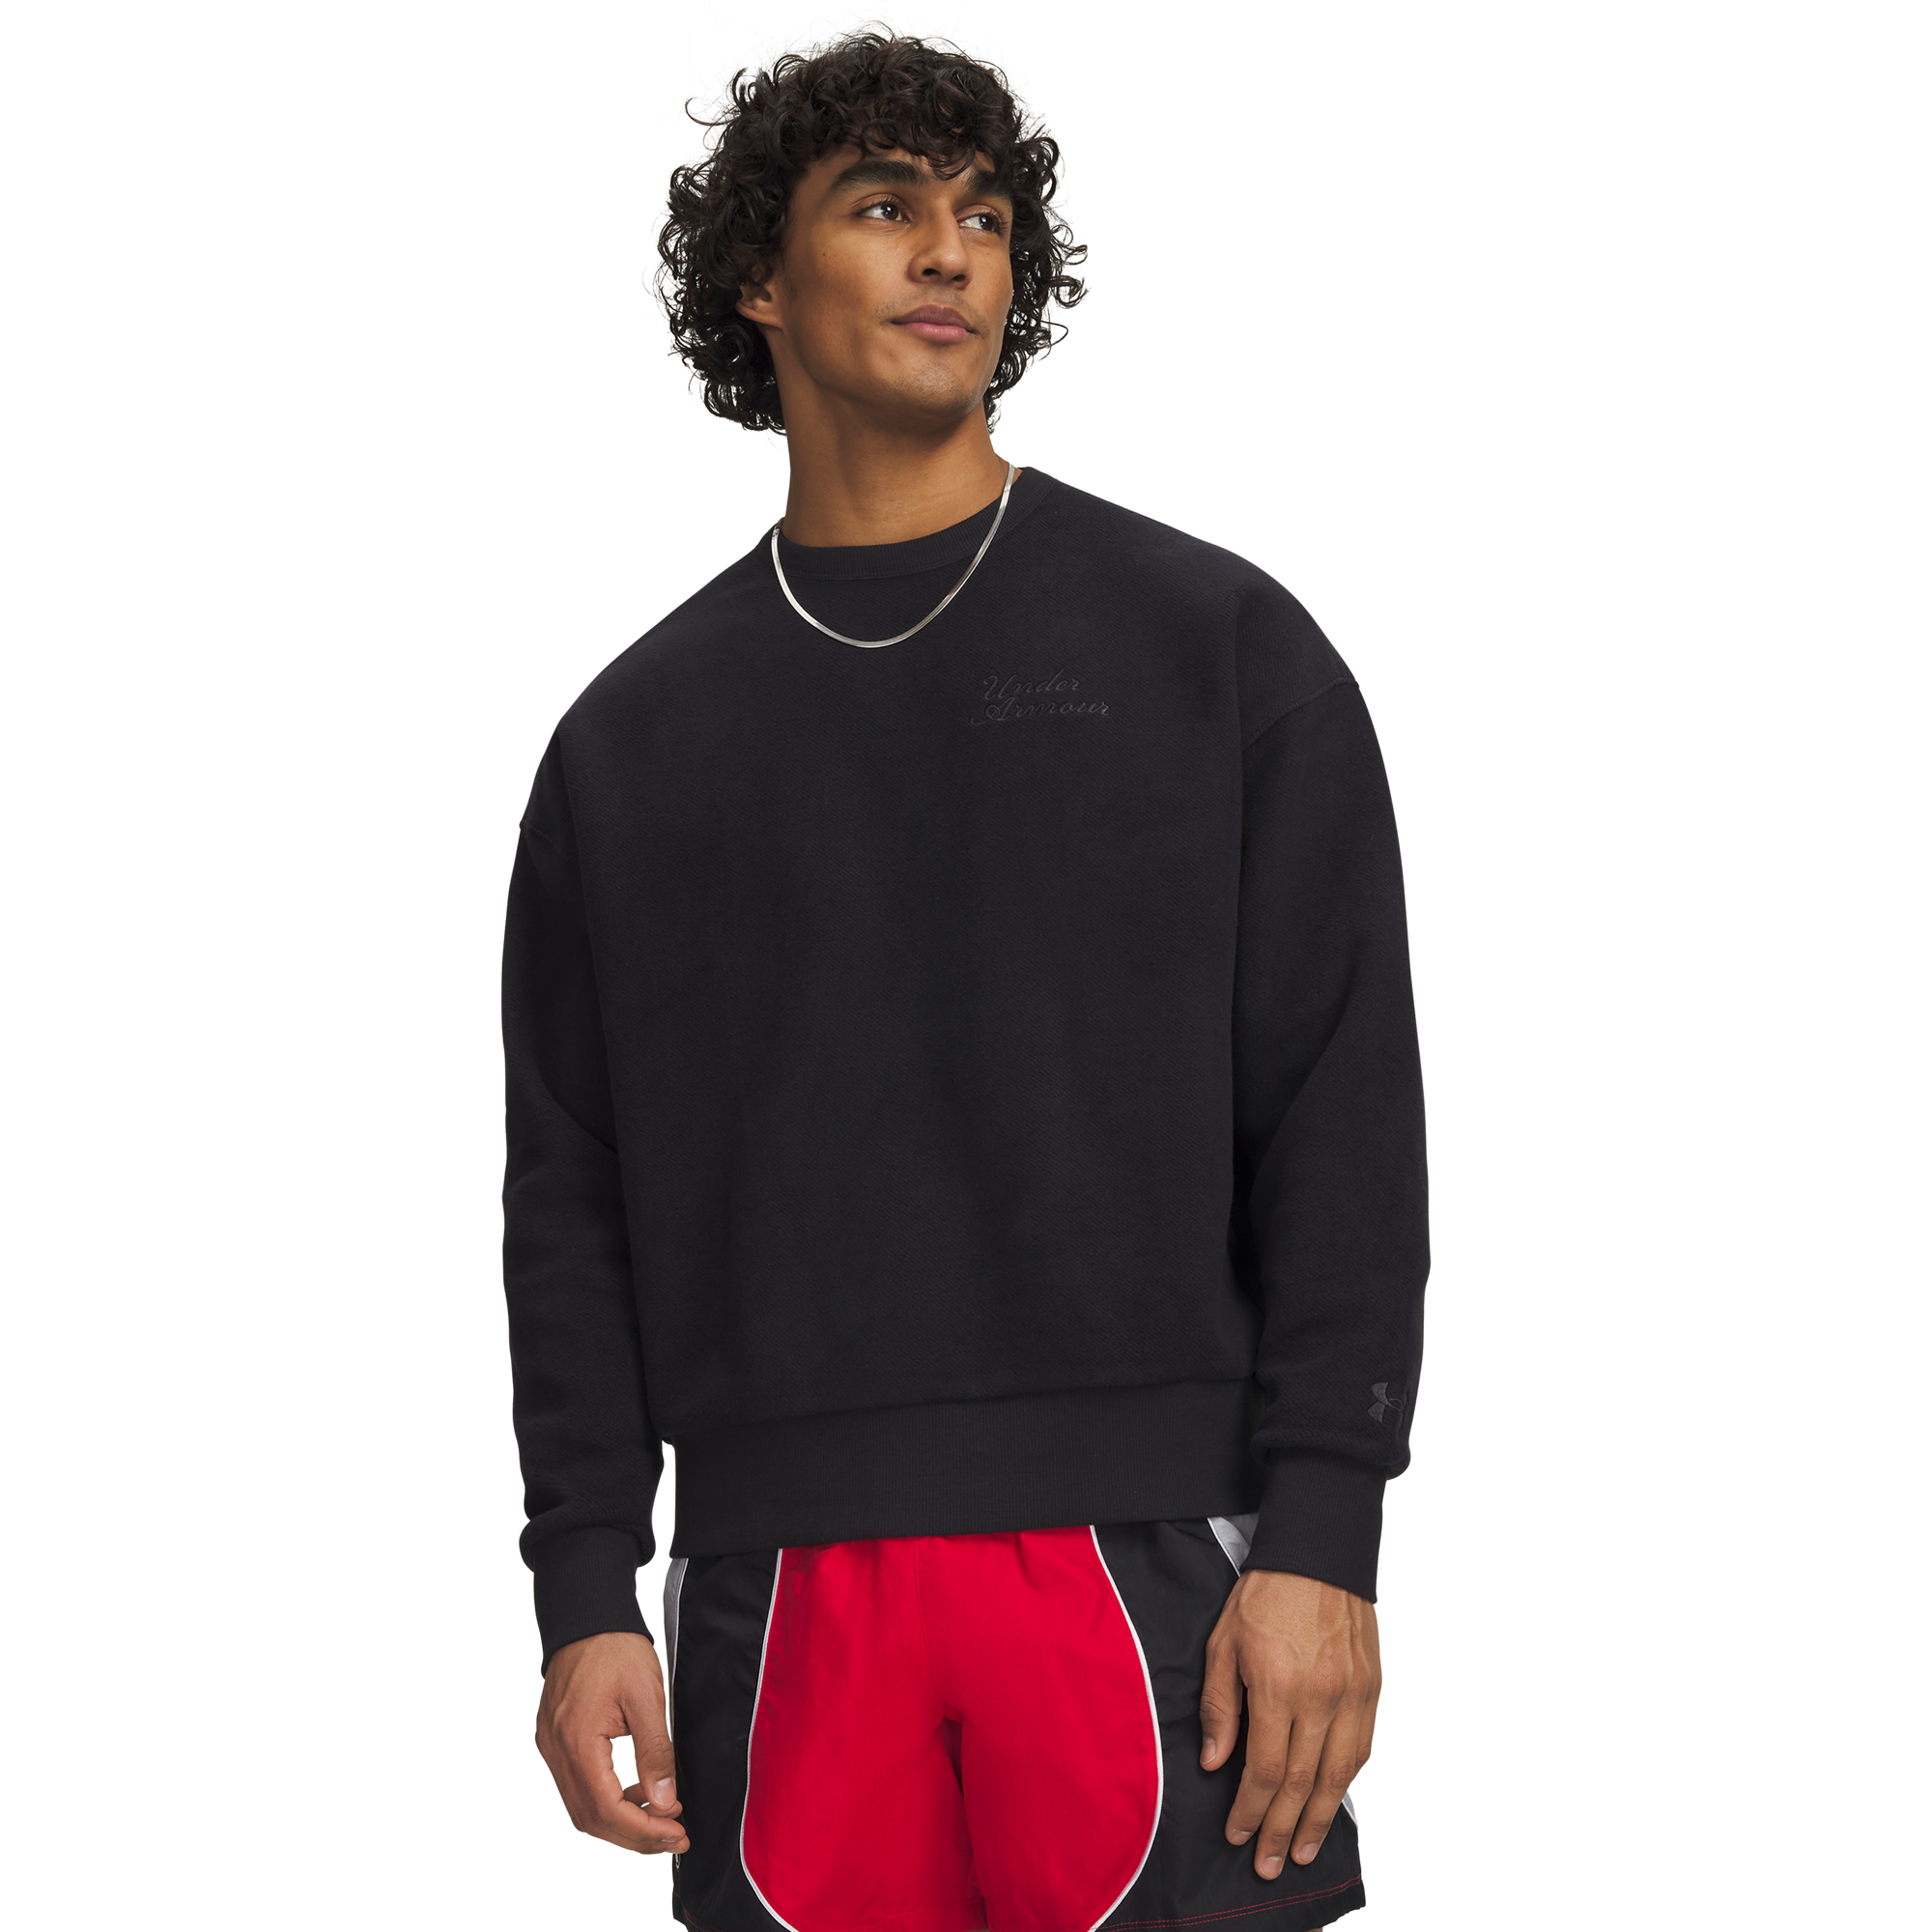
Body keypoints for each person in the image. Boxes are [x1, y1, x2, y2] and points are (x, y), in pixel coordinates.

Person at [502, 17, 1428, 1930]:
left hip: (1157, 1558)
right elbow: (569, 1196)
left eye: (987, 215)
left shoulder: (1220, 656)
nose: (949, 252)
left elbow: (1340, 1108)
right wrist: (586, 1587)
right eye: (882, 206)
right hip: (776, 1587)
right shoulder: (627, 746)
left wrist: (1328, 1531)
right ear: (757, 278)